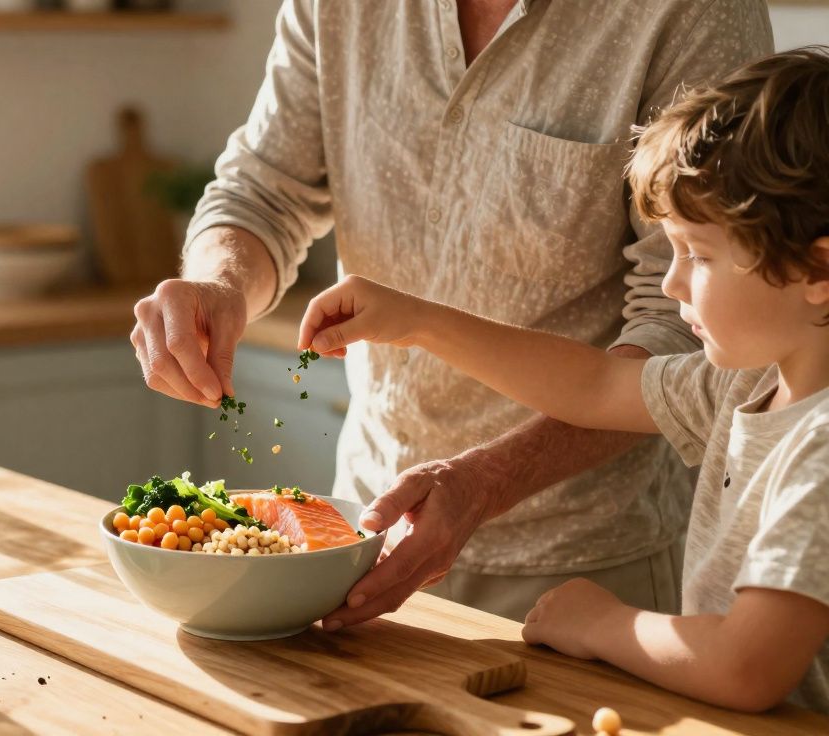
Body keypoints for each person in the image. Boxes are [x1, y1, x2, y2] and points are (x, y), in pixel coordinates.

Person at [131, 0, 774, 622]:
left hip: (581, 569)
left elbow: (681, 329)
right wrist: (218, 281)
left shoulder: (693, 10)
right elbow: (261, 191)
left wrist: (490, 479)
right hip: (365, 532)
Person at [297, 47, 829, 713]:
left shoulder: (820, 446)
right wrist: (418, 321)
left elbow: (745, 669)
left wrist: (602, 623)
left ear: (816, 272)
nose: (671, 283)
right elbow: (594, 386)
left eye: (699, 255)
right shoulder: (744, 386)